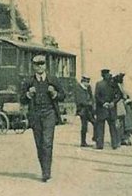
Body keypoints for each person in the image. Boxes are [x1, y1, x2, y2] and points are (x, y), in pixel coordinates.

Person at [20, 54, 65, 182]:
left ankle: (47, 172)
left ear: (45, 65)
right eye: (36, 64)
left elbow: (63, 95)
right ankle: (43, 169)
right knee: (39, 144)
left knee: (47, 143)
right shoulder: (29, 81)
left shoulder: (52, 79)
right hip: (35, 114)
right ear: (33, 66)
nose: (39, 67)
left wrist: (55, 93)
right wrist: (28, 94)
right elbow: (22, 99)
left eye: (42, 64)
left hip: (49, 113)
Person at [94, 69, 118, 150]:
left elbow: (97, 96)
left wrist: (104, 103)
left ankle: (100, 144)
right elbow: (118, 95)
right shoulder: (113, 84)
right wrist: (113, 102)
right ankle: (114, 144)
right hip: (110, 108)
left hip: (102, 108)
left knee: (101, 127)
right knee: (112, 127)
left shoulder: (99, 84)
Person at [113, 73, 132, 146]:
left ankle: (124, 138)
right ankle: (121, 138)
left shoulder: (122, 87)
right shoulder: (116, 87)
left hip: (125, 107)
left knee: (125, 122)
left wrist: (128, 100)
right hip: (121, 106)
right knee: (121, 122)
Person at [74, 75, 95, 147]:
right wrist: (88, 103)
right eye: (86, 82)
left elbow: (92, 97)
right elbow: (79, 100)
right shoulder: (78, 88)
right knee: (84, 126)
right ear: (83, 82)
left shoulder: (88, 88)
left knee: (95, 123)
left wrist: (92, 103)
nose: (88, 84)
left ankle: (94, 138)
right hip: (82, 110)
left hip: (89, 109)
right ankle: (83, 142)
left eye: (88, 82)